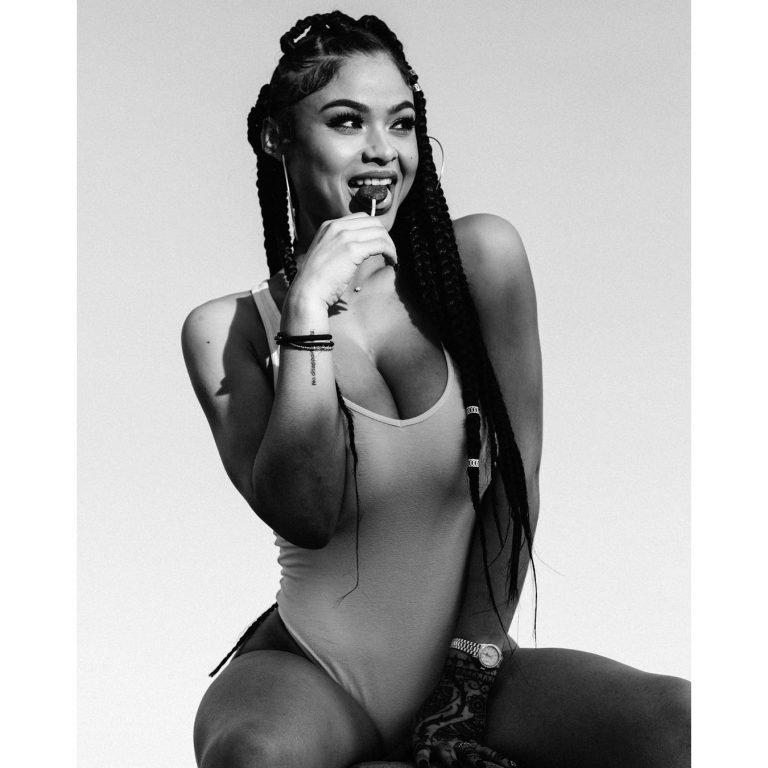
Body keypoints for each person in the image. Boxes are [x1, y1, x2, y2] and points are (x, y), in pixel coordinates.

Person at [182, 12, 690, 768]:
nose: (382, 149)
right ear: (276, 139)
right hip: (312, 674)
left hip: (472, 664)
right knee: (252, 756)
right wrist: (306, 312)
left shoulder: (480, 263)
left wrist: (465, 687)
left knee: (684, 724)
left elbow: (517, 479)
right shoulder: (228, 331)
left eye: (402, 123)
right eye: (347, 121)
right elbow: (306, 514)